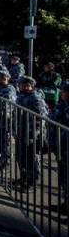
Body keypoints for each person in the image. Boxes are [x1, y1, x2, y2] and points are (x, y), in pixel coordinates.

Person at [13, 76, 48, 190]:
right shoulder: (21, 95)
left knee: (32, 158)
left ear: (29, 85)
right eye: (20, 84)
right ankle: (24, 178)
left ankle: (32, 182)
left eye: (22, 84)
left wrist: (33, 134)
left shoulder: (36, 98)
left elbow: (41, 118)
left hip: (31, 134)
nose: (20, 86)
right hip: (21, 131)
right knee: (21, 156)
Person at [50, 82, 69, 215]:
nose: (62, 93)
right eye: (62, 91)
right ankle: (65, 204)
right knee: (63, 177)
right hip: (61, 145)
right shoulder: (62, 105)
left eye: (65, 91)